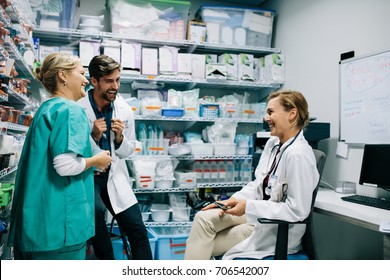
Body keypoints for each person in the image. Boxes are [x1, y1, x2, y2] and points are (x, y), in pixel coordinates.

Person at [184, 90, 319, 260]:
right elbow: (258, 184)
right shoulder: (273, 144)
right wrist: (231, 201)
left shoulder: (298, 155)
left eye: (271, 112)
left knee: (202, 244)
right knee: (202, 218)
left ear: (292, 114)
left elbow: (297, 211)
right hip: (257, 214)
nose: (266, 118)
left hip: (273, 228)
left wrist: (247, 207)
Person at [7, 53, 113, 260]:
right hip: (59, 229)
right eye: (81, 73)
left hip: (37, 224)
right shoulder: (70, 110)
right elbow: (65, 165)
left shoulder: (47, 108)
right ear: (63, 76)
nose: (85, 80)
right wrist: (96, 162)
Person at [78, 55, 152, 260]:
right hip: (88, 176)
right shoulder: (78, 108)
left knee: (137, 229)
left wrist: (119, 139)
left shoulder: (124, 110)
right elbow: (72, 152)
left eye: (117, 80)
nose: (115, 86)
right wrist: (94, 136)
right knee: (96, 219)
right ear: (94, 81)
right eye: (109, 81)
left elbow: (129, 151)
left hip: (114, 176)